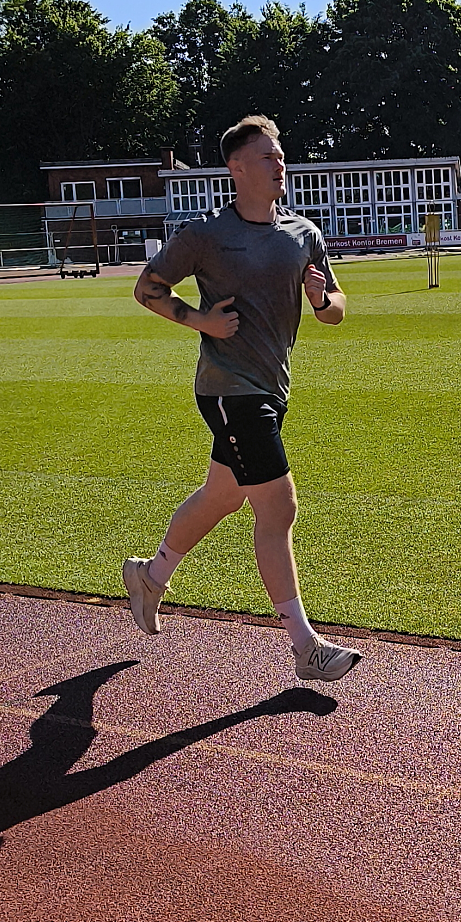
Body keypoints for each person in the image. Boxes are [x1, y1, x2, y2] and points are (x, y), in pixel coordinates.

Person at [123, 115, 362, 683]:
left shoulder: (302, 233)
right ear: (236, 167)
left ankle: (150, 576)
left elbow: (335, 309)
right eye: (267, 156)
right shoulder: (206, 235)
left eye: (281, 155)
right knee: (278, 507)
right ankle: (305, 647)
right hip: (228, 389)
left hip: (273, 386)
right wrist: (200, 319)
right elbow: (147, 288)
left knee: (222, 495)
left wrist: (322, 298)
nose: (280, 164)